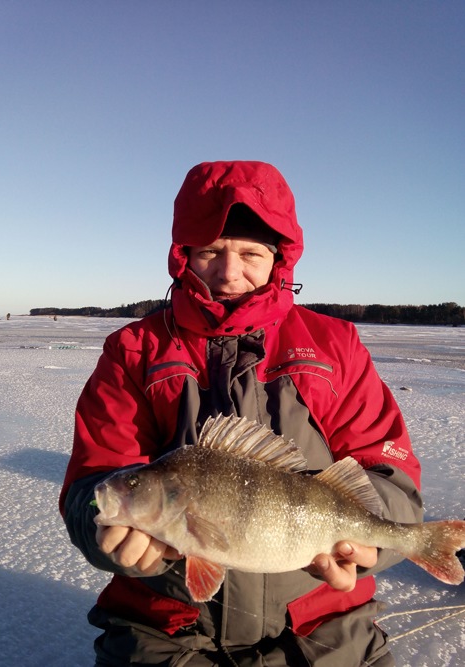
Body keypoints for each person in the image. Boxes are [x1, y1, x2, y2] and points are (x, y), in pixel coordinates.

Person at [60, 161, 423, 666]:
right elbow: (92, 486)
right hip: (165, 628)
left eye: (250, 253)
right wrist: (101, 531)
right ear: (183, 255)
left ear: (279, 261)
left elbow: (391, 472)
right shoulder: (134, 349)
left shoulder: (333, 345)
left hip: (326, 627)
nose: (229, 272)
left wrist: (371, 544)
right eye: (210, 251)